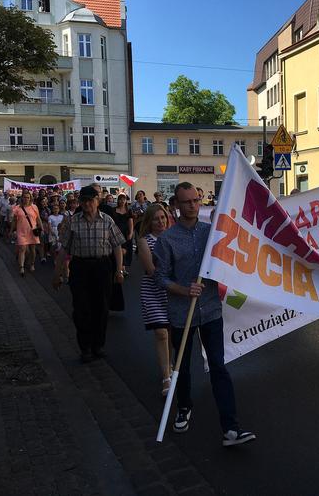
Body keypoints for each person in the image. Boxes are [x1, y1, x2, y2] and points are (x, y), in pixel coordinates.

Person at [153, 182, 256, 446]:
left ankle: (230, 428)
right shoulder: (166, 240)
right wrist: (184, 289)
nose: (193, 206)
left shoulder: (212, 234)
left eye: (196, 201)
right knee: (183, 367)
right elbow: (161, 279)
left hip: (210, 311)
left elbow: (227, 262)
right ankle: (184, 407)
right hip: (181, 314)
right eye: (187, 202)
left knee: (219, 367)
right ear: (175, 205)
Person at [52, 186, 126, 363]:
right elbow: (64, 250)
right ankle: (85, 347)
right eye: (83, 200)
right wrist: (57, 274)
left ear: (97, 201)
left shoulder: (107, 220)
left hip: (102, 266)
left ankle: (98, 345)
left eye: (90, 200)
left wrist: (119, 270)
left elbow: (117, 246)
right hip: (80, 267)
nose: (86, 204)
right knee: (81, 309)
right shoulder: (73, 221)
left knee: (101, 308)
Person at [137, 204, 172, 396]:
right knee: (161, 332)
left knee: (171, 332)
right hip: (153, 289)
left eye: (163, 218)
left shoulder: (173, 237)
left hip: (172, 291)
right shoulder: (145, 241)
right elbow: (151, 270)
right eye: (156, 219)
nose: (161, 222)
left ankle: (170, 364)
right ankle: (166, 377)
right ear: (149, 221)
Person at [11, 190, 42, 276]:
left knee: (32, 249)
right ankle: (21, 267)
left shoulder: (34, 207)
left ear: (30, 198)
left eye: (28, 197)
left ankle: (32, 264)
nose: (26, 199)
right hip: (21, 231)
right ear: (22, 198)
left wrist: (41, 228)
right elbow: (14, 220)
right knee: (22, 249)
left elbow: (38, 219)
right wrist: (11, 230)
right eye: (24, 197)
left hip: (32, 231)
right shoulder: (17, 208)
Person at [113, 194, 134, 268]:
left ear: (126, 201)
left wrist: (131, 233)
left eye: (123, 199)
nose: (122, 201)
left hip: (126, 232)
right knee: (118, 249)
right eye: (120, 199)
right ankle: (119, 266)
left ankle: (123, 266)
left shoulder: (129, 210)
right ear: (118, 200)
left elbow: (130, 222)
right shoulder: (114, 210)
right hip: (116, 232)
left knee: (126, 250)